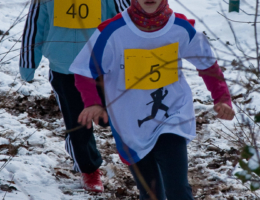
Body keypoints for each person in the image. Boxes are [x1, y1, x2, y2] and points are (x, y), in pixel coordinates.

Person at [69, 0, 235, 199]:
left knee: (178, 189)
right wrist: (93, 103)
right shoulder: (112, 31)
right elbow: (83, 70)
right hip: (129, 123)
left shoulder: (181, 28)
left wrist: (222, 98)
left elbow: (208, 65)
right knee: (151, 193)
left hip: (172, 115)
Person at [19, 0, 130, 193]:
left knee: (115, 116)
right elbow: (35, 25)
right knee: (78, 122)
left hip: (104, 66)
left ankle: (143, 160)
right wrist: (28, 63)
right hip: (64, 68)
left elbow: (130, 17)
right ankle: (88, 169)